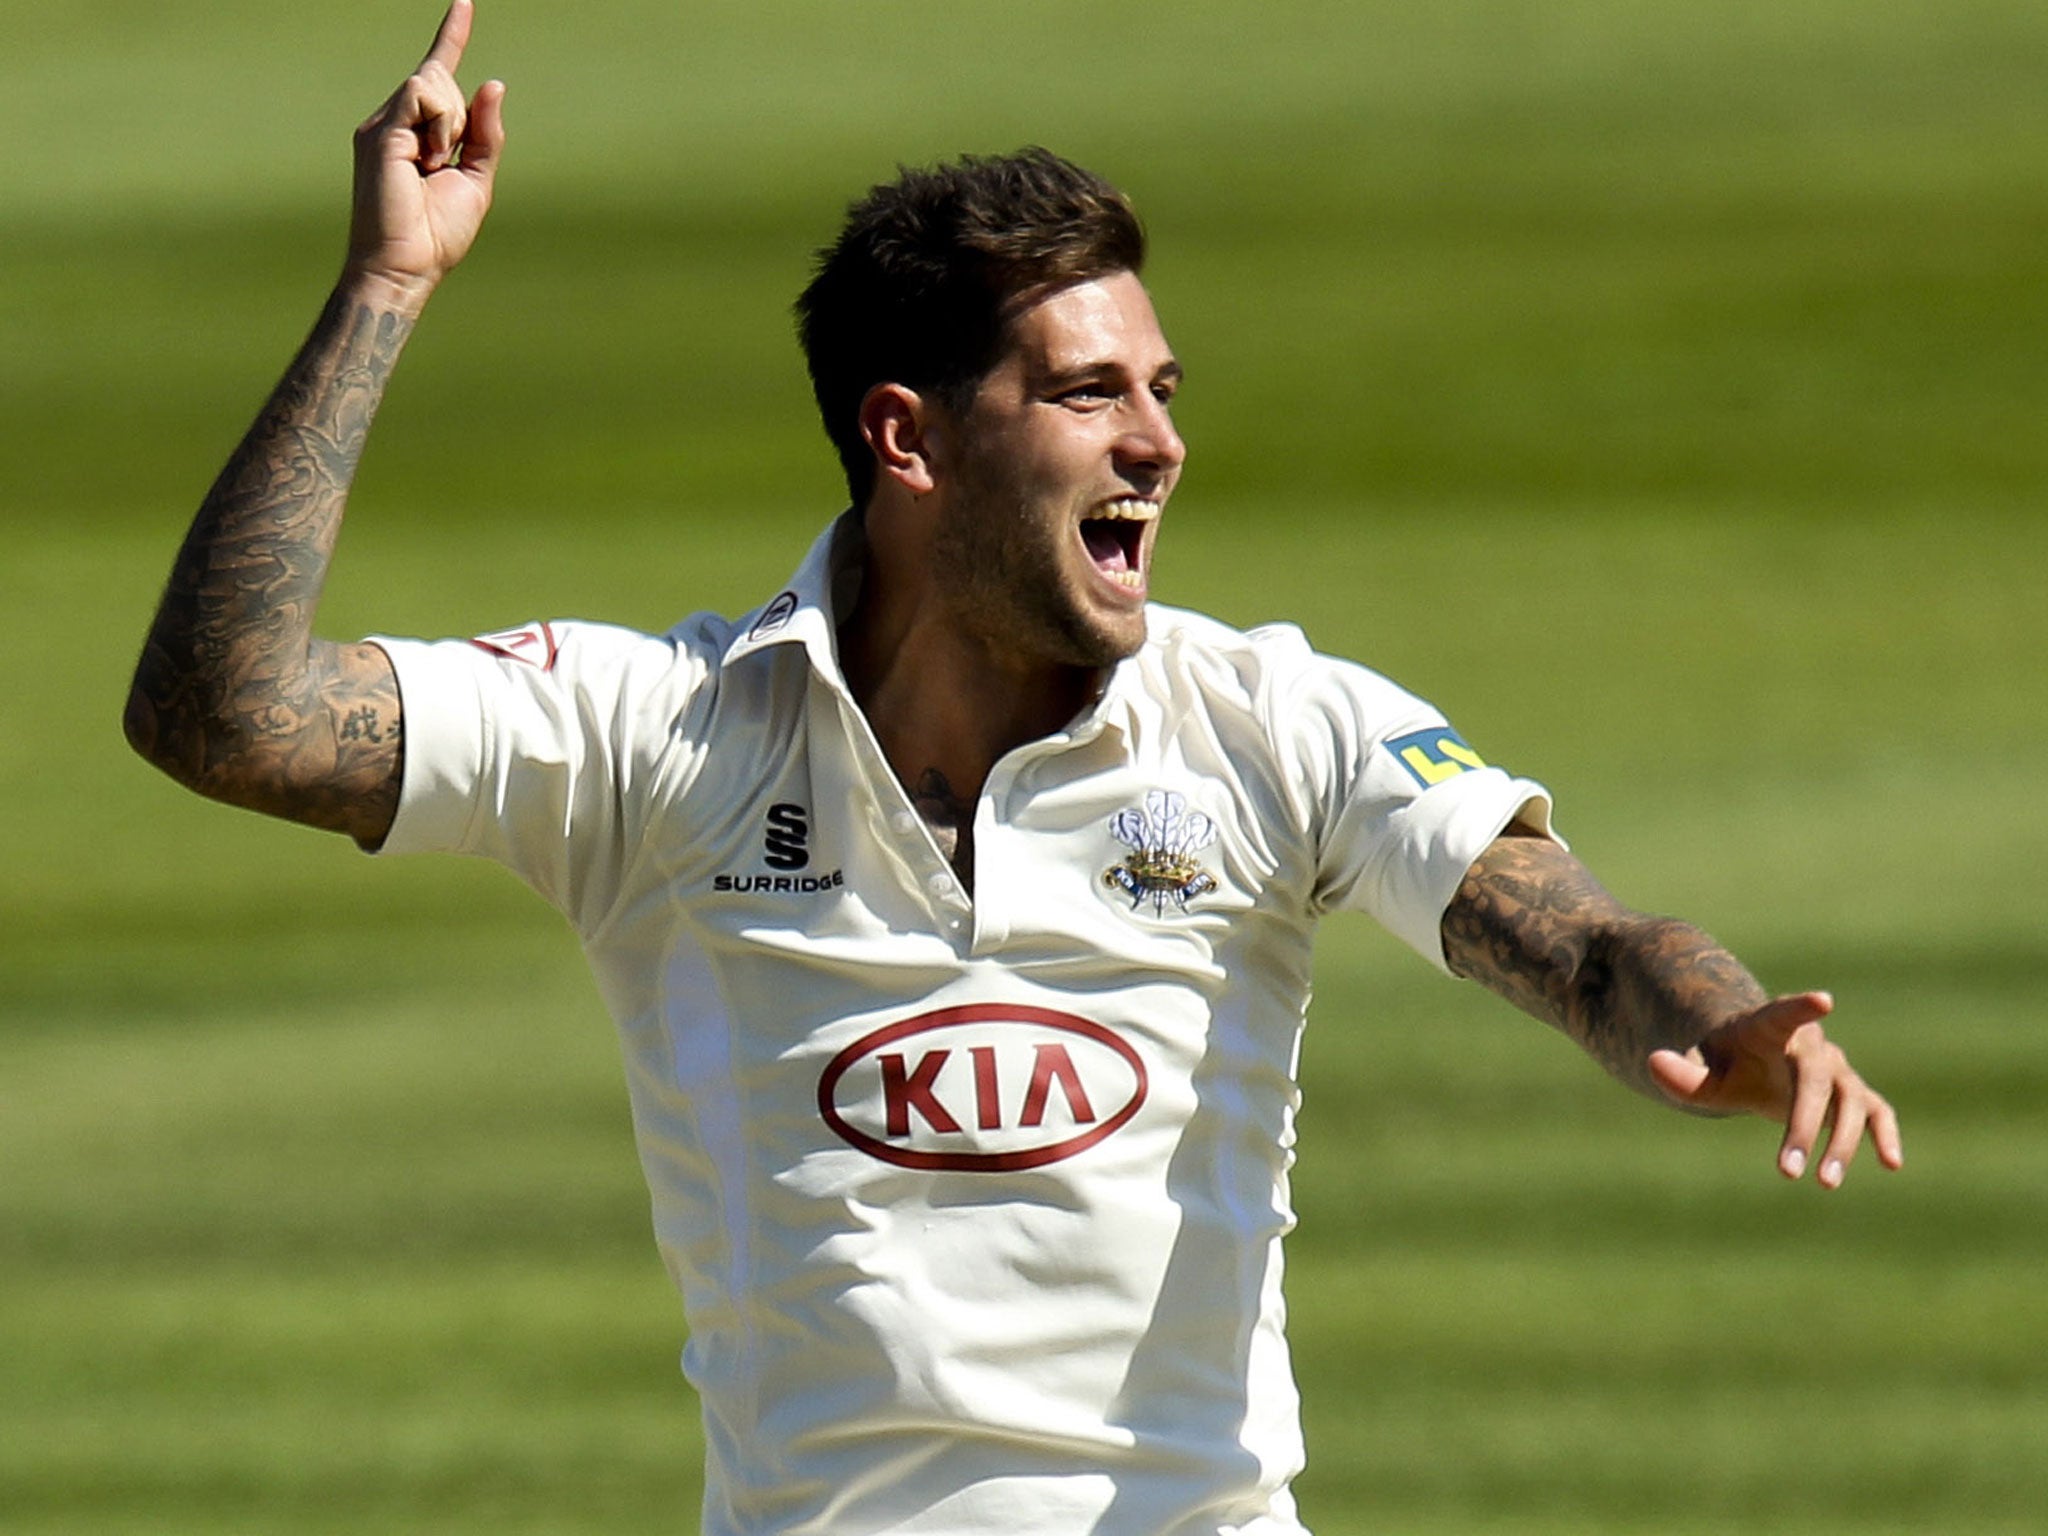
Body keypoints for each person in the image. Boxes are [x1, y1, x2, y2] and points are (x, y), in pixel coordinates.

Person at [124, 5, 1904, 1533]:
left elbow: (1576, 935)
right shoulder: (654, 738)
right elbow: (228, 714)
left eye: (1165, 385)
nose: (1162, 441)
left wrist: (1729, 1018)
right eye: (1086, 394)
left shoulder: (1271, 722)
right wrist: (382, 286)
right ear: (907, 437)